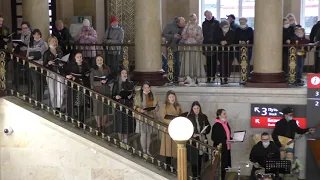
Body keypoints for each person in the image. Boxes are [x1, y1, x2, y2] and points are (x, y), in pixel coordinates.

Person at [186, 101, 210, 178]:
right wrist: (193, 134)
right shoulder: (189, 117)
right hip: (193, 141)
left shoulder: (203, 116)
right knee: (194, 159)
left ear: (200, 108)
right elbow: (187, 129)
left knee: (200, 158)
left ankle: (198, 174)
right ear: (192, 109)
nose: (196, 110)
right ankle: (194, 175)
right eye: (194, 108)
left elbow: (208, 126)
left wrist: (205, 130)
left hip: (202, 140)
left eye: (197, 108)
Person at [134, 81, 159, 155]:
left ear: (150, 88)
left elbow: (157, 105)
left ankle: (148, 150)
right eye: (145, 87)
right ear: (142, 88)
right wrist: (140, 110)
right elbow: (135, 106)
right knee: (143, 134)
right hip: (142, 116)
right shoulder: (138, 95)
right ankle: (144, 150)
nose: (146, 89)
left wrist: (156, 108)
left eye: (148, 87)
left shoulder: (153, 95)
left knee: (149, 134)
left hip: (150, 116)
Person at [65, 51, 91, 124]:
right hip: (75, 86)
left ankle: (83, 120)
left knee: (84, 104)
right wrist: (68, 76)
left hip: (84, 86)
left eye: (80, 57)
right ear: (75, 58)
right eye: (78, 57)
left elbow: (89, 72)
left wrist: (86, 74)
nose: (79, 58)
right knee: (77, 103)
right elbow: (65, 72)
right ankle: (77, 119)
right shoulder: (71, 65)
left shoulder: (85, 64)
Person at [43, 36, 67, 113]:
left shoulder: (59, 51)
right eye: (53, 41)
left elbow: (63, 61)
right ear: (49, 42)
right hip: (51, 72)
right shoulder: (46, 53)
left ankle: (59, 107)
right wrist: (48, 63)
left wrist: (61, 63)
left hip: (59, 72)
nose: (54, 43)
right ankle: (54, 106)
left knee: (60, 90)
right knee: (52, 91)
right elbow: (44, 64)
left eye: (55, 41)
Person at [90, 55, 113, 133]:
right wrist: (100, 82)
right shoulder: (93, 70)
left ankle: (103, 125)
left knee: (106, 109)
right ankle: (99, 125)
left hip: (106, 90)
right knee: (97, 109)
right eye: (98, 60)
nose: (100, 61)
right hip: (97, 91)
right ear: (96, 61)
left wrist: (108, 80)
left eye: (101, 59)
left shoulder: (107, 68)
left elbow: (111, 77)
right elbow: (92, 82)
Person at [160, 90, 182, 169]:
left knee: (174, 147)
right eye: (170, 97)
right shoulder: (165, 105)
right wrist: (172, 122)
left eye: (173, 96)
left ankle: (174, 165)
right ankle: (168, 165)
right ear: (167, 98)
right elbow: (163, 117)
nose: (172, 98)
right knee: (168, 148)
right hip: (168, 128)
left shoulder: (178, 105)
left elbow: (180, 115)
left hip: (176, 128)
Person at [179, 13, 205, 82]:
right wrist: (186, 35)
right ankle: (187, 76)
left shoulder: (198, 27)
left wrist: (195, 36)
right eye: (191, 19)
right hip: (187, 46)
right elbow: (183, 35)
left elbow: (201, 37)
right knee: (187, 61)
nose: (192, 21)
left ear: (196, 19)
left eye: (194, 19)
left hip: (195, 46)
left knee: (196, 60)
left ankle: (197, 76)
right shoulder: (186, 27)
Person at [112, 69, 135, 143]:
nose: (124, 74)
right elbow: (113, 95)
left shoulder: (131, 83)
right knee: (120, 124)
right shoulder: (116, 84)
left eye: (125, 73)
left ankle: (125, 141)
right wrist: (116, 97)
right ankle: (121, 141)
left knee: (126, 124)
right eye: (123, 73)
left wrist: (130, 96)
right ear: (120, 74)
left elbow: (133, 94)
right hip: (119, 105)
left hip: (127, 105)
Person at [162, 17, 186, 83]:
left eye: (184, 23)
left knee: (178, 62)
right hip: (171, 47)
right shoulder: (169, 26)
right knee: (172, 62)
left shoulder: (184, 26)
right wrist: (173, 36)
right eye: (182, 24)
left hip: (179, 47)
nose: (183, 25)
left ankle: (177, 77)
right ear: (177, 23)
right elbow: (164, 34)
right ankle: (171, 78)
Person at [27, 29, 48, 103]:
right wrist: (30, 57)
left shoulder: (44, 43)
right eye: (35, 34)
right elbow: (28, 54)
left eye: (38, 34)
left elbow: (46, 54)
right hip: (33, 65)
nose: (36, 35)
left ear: (40, 35)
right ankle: (37, 100)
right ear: (33, 35)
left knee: (42, 84)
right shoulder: (30, 43)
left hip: (41, 65)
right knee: (36, 84)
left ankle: (41, 100)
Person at [211, 109, 231, 180]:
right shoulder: (216, 125)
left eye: (226, 113)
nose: (226, 115)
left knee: (225, 165)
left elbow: (227, 135)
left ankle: (223, 178)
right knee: (220, 166)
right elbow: (213, 137)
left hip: (227, 147)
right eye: (224, 114)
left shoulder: (226, 123)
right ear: (219, 116)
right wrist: (224, 141)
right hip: (220, 148)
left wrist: (231, 138)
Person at [202, 10, 220, 83]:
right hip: (207, 44)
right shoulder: (204, 23)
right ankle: (209, 76)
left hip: (214, 44)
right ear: (205, 16)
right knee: (208, 61)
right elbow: (204, 33)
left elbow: (218, 33)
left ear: (211, 14)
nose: (208, 16)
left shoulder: (216, 22)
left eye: (209, 14)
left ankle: (213, 75)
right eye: (207, 15)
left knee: (214, 61)